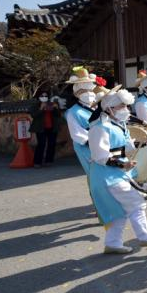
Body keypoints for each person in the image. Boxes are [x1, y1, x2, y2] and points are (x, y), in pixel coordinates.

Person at [87, 86, 147, 254]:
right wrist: (121, 164)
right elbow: (99, 156)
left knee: (119, 211)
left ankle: (113, 243)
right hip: (107, 176)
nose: (126, 109)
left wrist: (142, 144)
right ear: (109, 108)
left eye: (126, 105)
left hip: (116, 174)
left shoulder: (117, 123)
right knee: (136, 203)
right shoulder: (99, 127)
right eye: (122, 106)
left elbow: (127, 147)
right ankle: (145, 236)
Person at [64, 66, 99, 203]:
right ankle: (98, 202)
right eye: (84, 91)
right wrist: (94, 141)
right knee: (94, 173)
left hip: (101, 142)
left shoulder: (97, 106)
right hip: (86, 146)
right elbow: (77, 134)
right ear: (77, 93)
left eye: (90, 90)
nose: (88, 93)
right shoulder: (72, 112)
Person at [30, 90, 62, 168]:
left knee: (52, 144)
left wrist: (56, 108)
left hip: (52, 127)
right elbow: (34, 115)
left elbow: (58, 115)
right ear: (38, 97)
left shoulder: (51, 104)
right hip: (41, 128)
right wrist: (41, 108)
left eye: (46, 96)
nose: (44, 97)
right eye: (42, 96)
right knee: (41, 144)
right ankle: (37, 162)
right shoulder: (35, 105)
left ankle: (49, 160)